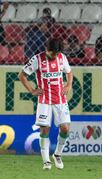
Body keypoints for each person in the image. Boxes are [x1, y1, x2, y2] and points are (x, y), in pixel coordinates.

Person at [18, 38, 73, 170]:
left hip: (60, 99)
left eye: (57, 53)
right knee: (44, 129)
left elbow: (69, 72)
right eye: (53, 53)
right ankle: (46, 161)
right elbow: (22, 75)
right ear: (47, 50)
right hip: (44, 100)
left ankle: (57, 154)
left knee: (65, 128)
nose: (55, 56)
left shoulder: (62, 58)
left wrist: (68, 85)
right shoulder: (37, 59)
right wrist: (32, 90)